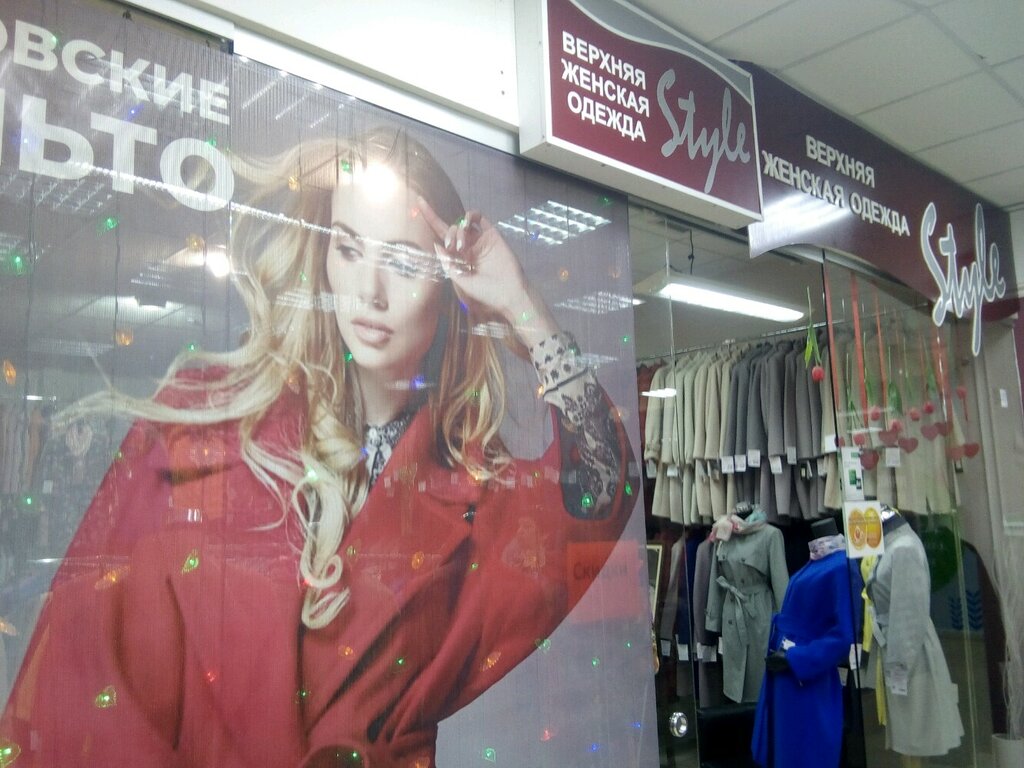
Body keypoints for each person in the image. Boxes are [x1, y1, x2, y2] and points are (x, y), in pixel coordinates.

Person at [0, 128, 637, 767]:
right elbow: (84, 668)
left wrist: (524, 306)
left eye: (405, 263)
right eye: (349, 249)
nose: (370, 293)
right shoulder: (203, 418)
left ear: (448, 288)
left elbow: (597, 497)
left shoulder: (472, 492)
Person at [751, 517, 859, 768]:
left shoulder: (842, 566)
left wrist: (796, 659)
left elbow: (844, 635)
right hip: (788, 677)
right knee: (787, 749)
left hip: (806, 679)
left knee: (806, 750)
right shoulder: (817, 560)